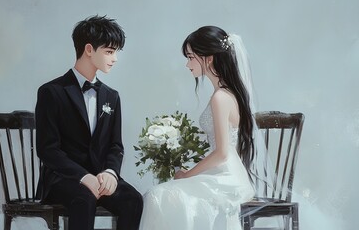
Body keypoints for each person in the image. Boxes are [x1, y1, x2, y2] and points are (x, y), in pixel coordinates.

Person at [139, 26, 257, 230]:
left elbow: (222, 153)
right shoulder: (225, 93)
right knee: (164, 195)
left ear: (208, 58)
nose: (187, 64)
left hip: (225, 177)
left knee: (158, 196)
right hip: (225, 172)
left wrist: (188, 174)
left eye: (191, 57)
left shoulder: (220, 98)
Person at [35, 15, 143, 230]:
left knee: (133, 199)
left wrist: (110, 173)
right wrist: (83, 176)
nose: (115, 58)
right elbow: (48, 149)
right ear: (89, 49)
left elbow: (115, 145)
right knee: (84, 198)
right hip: (62, 179)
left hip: (101, 178)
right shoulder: (52, 92)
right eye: (109, 52)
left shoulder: (112, 96)